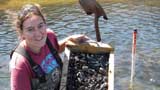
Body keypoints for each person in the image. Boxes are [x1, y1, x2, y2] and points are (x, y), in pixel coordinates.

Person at [9, 3, 88, 90]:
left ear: (45, 24)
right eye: (30, 29)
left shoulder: (49, 37)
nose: (38, 34)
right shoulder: (20, 65)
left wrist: (70, 40)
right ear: (22, 33)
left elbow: (55, 49)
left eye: (40, 26)